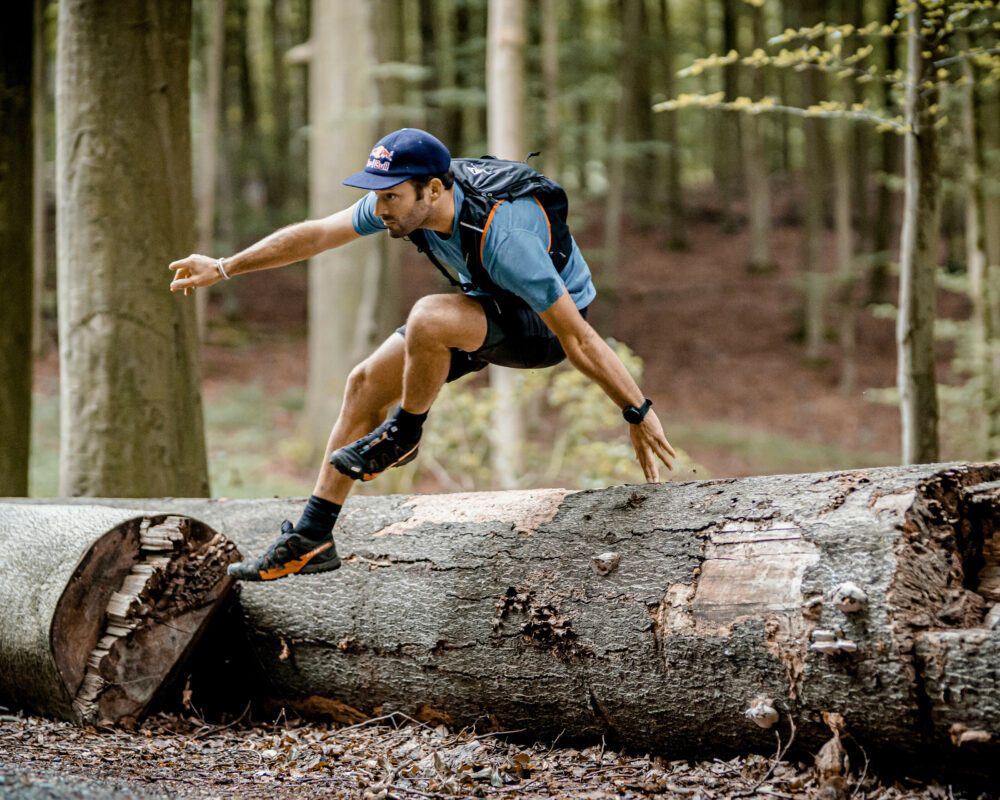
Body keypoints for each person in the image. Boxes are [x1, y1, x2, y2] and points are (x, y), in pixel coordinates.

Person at [169, 128, 675, 581]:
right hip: (487, 302)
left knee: (429, 317)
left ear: (433, 190)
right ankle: (313, 536)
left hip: (540, 329)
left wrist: (637, 409)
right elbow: (320, 233)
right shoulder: (406, 198)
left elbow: (578, 338)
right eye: (377, 195)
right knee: (364, 383)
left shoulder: (506, 239)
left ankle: (404, 434)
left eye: (390, 197)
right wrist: (223, 265)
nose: (380, 207)